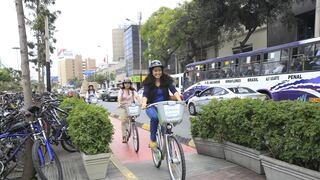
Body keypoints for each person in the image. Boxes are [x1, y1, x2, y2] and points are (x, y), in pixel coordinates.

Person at [141, 60, 182, 149]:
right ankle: (152, 139)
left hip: (164, 106)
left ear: (162, 71)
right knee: (155, 118)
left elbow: (174, 90)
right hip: (151, 106)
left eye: (159, 70)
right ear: (152, 71)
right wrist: (144, 103)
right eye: (155, 70)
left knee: (167, 125)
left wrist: (179, 100)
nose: (157, 72)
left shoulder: (166, 80)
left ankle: (168, 144)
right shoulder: (148, 82)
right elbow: (145, 94)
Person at [117, 78, 140, 143]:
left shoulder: (132, 91)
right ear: (123, 84)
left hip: (130, 107)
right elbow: (119, 98)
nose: (127, 85)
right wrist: (119, 104)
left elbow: (137, 97)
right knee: (123, 121)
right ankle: (124, 136)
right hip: (123, 106)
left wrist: (141, 103)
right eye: (125, 83)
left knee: (132, 119)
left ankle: (131, 126)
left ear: (130, 84)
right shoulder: (121, 91)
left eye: (128, 83)